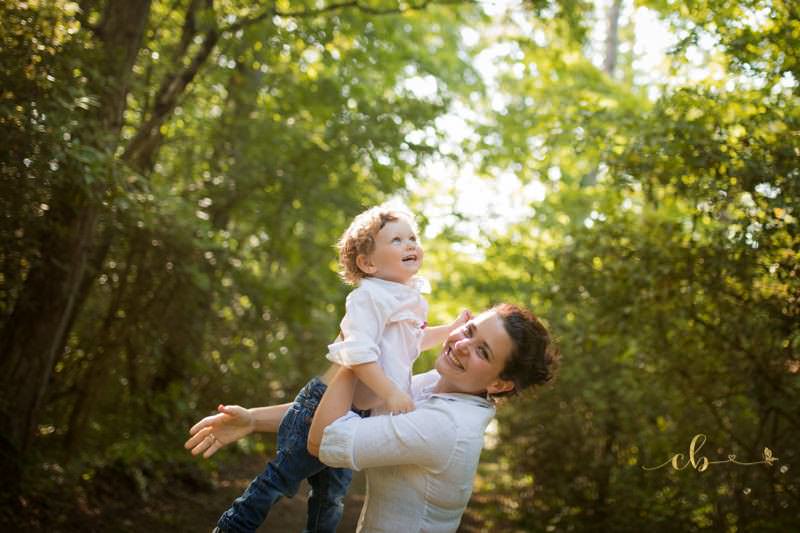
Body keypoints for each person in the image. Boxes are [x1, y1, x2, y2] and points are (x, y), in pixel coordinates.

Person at [189, 203, 468, 533]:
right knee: (279, 479)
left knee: (331, 498)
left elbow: (410, 342)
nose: (410, 244)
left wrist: (448, 330)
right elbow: (358, 354)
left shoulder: (408, 297)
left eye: (413, 237)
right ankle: (231, 528)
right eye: (397, 240)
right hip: (323, 405)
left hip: (354, 414)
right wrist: (390, 391)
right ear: (368, 262)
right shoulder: (369, 297)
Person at [188, 303, 559, 533]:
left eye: (482, 350)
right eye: (470, 330)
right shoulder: (437, 385)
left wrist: (359, 351)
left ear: (499, 383)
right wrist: (252, 420)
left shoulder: (447, 426)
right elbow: (348, 410)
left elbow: (324, 439)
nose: (461, 343)